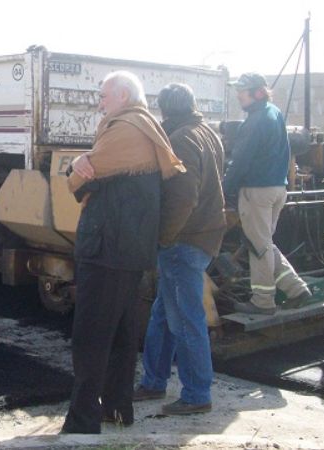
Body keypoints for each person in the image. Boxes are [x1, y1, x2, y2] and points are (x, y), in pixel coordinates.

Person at [61, 71, 185, 434]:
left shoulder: (125, 127)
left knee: (91, 335)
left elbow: (81, 178)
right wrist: (82, 162)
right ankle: (116, 409)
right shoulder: (139, 124)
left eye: (103, 95)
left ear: (124, 95)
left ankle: (83, 418)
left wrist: (76, 165)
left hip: (107, 247)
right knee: (119, 333)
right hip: (126, 247)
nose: (99, 102)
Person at [134, 83, 226, 415]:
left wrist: (165, 238)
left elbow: (184, 197)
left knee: (186, 319)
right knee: (162, 313)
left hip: (184, 241)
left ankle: (197, 394)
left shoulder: (182, 139)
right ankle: (154, 382)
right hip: (201, 237)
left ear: (165, 111)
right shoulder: (206, 132)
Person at [223, 73, 311, 315]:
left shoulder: (255, 121)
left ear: (258, 93)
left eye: (242, 90)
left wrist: (224, 190)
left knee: (258, 246)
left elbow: (239, 161)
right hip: (277, 188)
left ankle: (263, 301)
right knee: (264, 243)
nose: (238, 94)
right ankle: (296, 289)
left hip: (257, 191)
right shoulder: (274, 113)